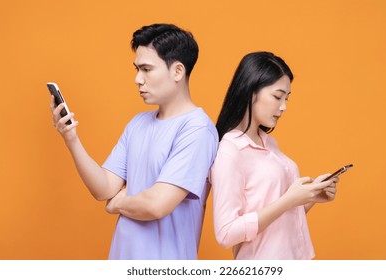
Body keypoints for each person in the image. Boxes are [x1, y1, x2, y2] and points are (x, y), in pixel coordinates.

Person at [50, 23, 218, 259]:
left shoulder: (198, 129)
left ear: (178, 71)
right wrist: (71, 139)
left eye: (147, 69)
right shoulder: (138, 123)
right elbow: (104, 188)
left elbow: (157, 204)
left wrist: (117, 204)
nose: (137, 79)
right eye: (137, 69)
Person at [210, 51, 339, 260]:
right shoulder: (230, 151)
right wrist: (289, 200)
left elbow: (278, 223)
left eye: (286, 98)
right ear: (251, 91)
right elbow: (226, 233)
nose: (284, 107)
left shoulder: (270, 144)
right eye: (277, 96)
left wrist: (311, 196)